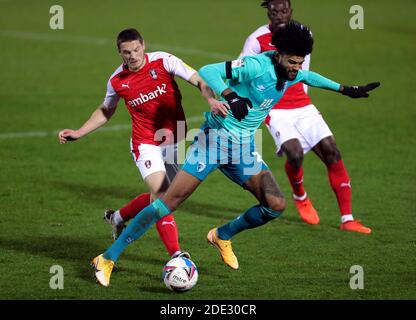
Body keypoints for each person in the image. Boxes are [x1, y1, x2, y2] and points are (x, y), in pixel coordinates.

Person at [91, 21, 380, 287]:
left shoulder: (291, 72)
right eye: (292, 61)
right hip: (213, 142)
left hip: (244, 149)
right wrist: (230, 95)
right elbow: (209, 71)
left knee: (275, 204)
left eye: (299, 61)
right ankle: (107, 257)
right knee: (168, 201)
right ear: (278, 54)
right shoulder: (256, 65)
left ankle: (222, 235)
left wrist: (346, 89)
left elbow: (309, 76)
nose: (296, 68)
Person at [58, 28, 228, 260]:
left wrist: (210, 100)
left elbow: (198, 79)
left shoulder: (164, 61)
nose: (133, 56)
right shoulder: (117, 80)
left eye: (136, 49)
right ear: (120, 53)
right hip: (145, 142)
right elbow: (106, 110)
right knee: (162, 195)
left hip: (174, 138)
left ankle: (117, 218)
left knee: (160, 197)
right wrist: (79, 132)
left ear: (143, 46)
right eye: (127, 52)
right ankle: (177, 256)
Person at [240, 0, 372, 232]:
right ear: (267, 12)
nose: (279, 14)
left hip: (302, 104)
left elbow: (305, 73)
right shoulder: (256, 40)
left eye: (283, 10)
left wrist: (343, 90)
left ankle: (347, 219)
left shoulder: (304, 33)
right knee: (295, 153)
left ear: (290, 10)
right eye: (274, 10)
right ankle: (300, 195)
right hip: (274, 107)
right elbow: (242, 70)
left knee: (332, 151)